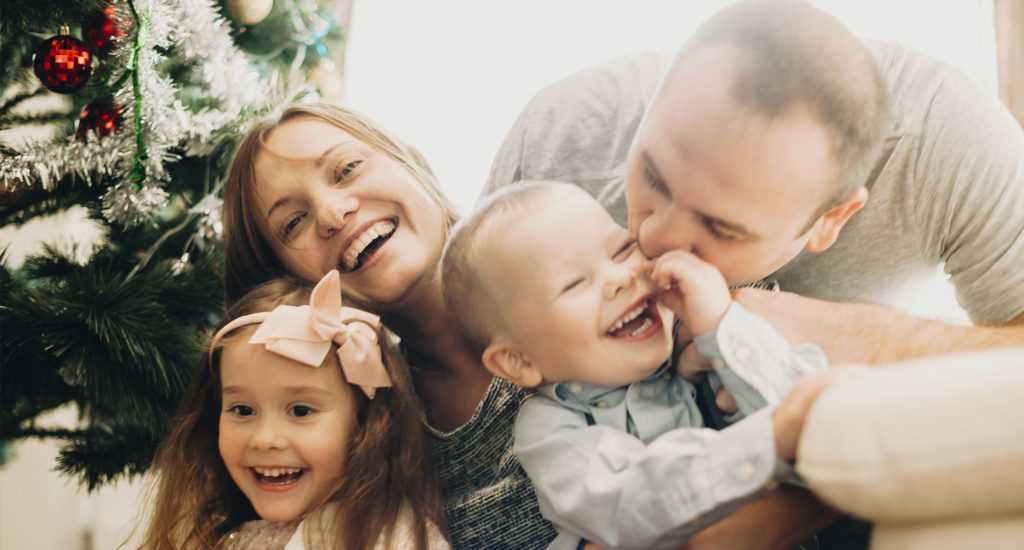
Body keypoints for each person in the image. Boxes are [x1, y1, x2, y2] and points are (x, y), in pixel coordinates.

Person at [483, 0, 1024, 547]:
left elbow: (805, 407)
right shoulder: (561, 137)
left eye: (721, 227)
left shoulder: (951, 142)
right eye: (652, 175)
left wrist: (780, 332)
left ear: (828, 222)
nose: (655, 241)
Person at [220, 103, 558, 548]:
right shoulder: (362, 438)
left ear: (412, 161)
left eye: (347, 169)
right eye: (294, 222)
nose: (330, 213)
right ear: (287, 285)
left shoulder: (564, 280)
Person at [441, 181, 840, 549]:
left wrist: (724, 330)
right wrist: (769, 439)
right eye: (574, 283)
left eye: (622, 249)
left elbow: (827, 420)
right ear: (518, 361)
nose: (619, 277)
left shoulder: (714, 348)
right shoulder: (550, 430)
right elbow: (629, 504)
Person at [135, 270, 448, 549]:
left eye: (300, 411)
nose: (265, 438)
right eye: (243, 410)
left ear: (363, 421)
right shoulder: (204, 534)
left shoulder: (393, 539)